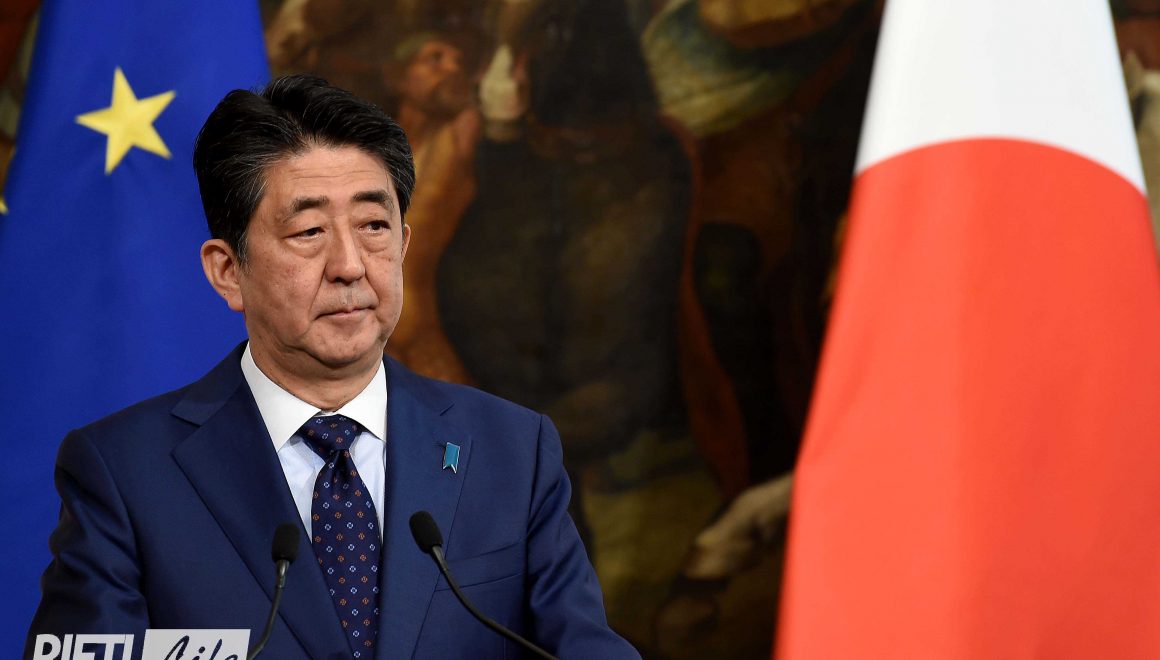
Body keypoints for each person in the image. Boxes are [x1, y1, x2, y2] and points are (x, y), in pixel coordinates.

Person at [25, 74, 638, 660]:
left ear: (403, 245)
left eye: (374, 225)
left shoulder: (513, 451)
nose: (350, 265)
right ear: (228, 271)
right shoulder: (124, 473)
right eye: (309, 231)